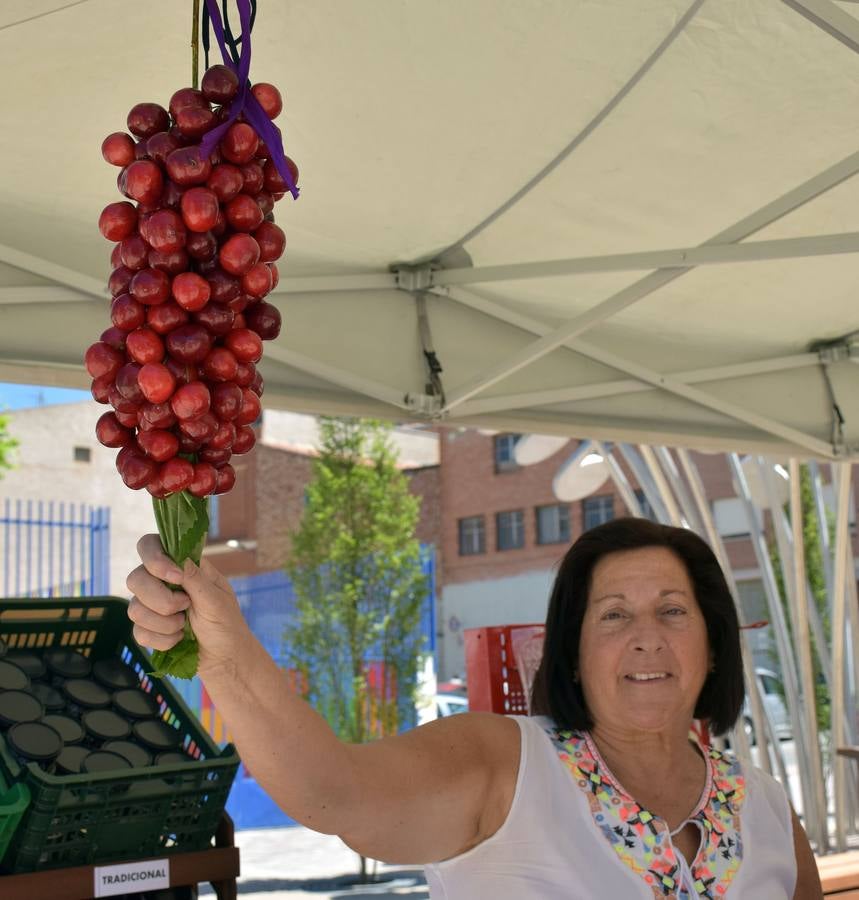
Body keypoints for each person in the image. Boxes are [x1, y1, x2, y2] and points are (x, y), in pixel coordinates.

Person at [126, 517, 823, 898]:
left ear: (712, 643)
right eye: (612, 617)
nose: (646, 638)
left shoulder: (759, 803)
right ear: (572, 653)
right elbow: (333, 793)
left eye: (672, 611)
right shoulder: (505, 762)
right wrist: (224, 653)